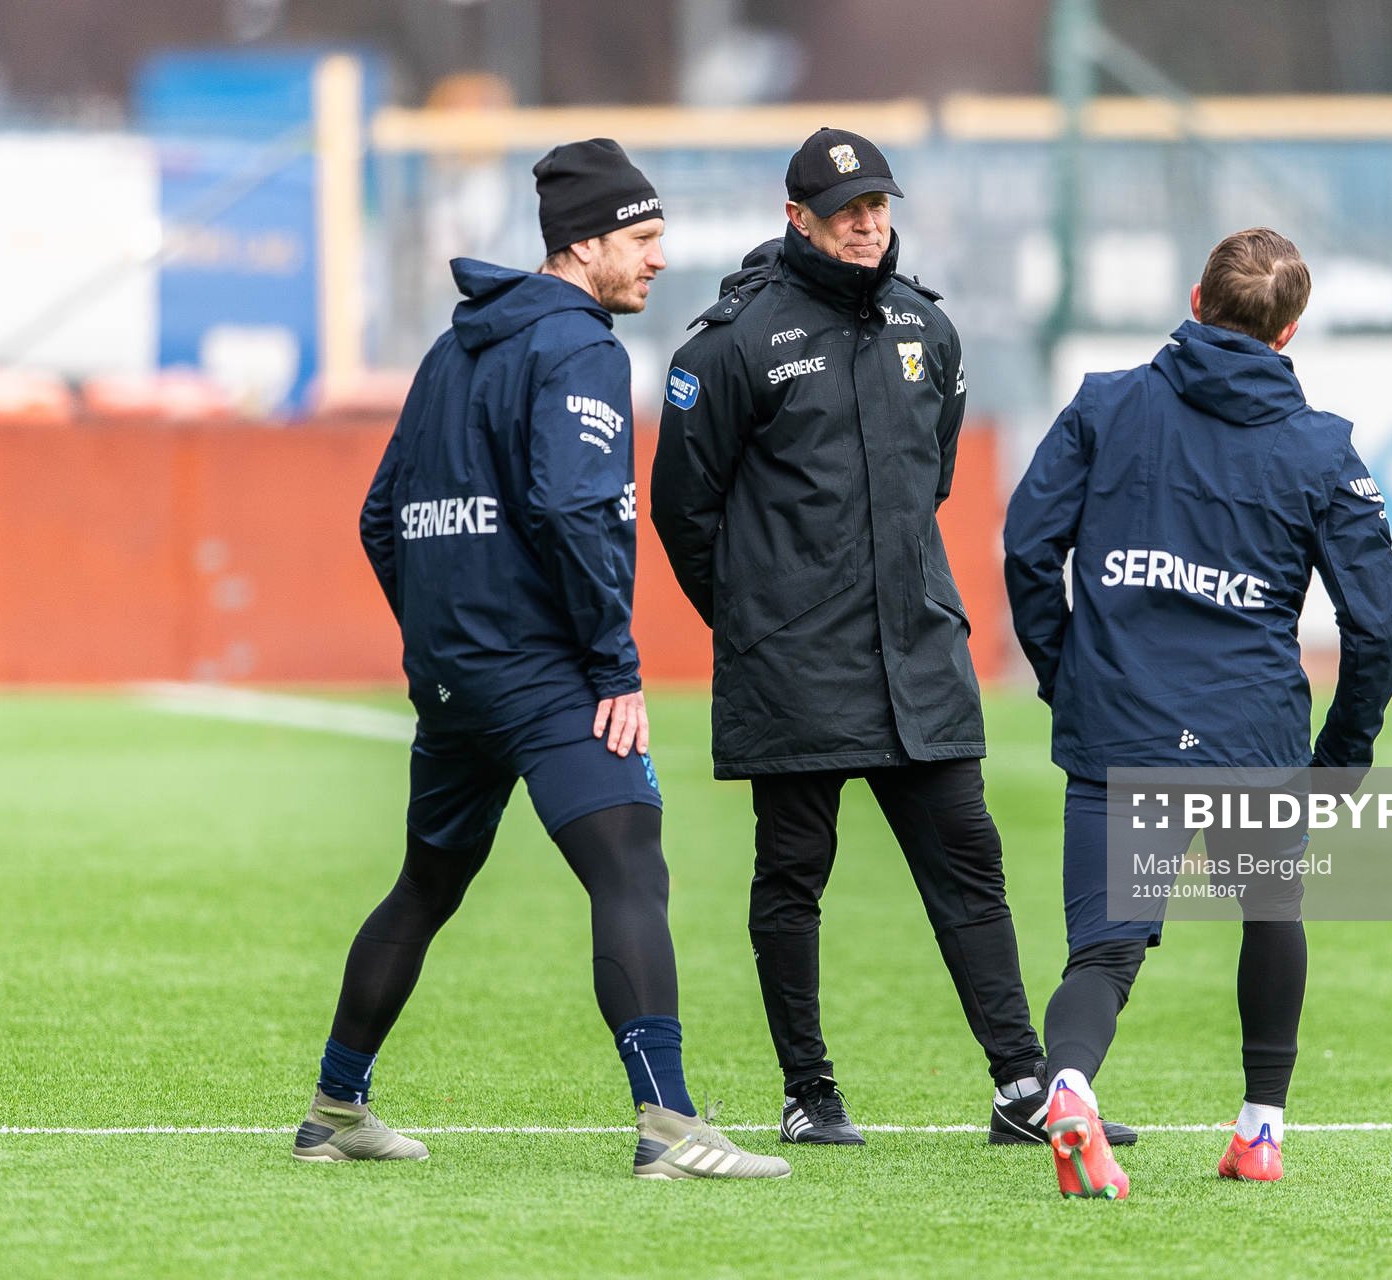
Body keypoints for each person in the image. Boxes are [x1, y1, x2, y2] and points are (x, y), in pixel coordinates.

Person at [292, 138, 788, 1182]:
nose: (659, 257)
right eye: (645, 238)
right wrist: (613, 665)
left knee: (427, 881)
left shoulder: (451, 349)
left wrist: (439, 637)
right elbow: (573, 505)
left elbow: (381, 518)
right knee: (629, 865)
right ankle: (669, 1122)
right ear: (586, 243)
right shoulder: (580, 348)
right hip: (547, 671)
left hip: (457, 676)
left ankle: (336, 1105)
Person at [652, 127, 1133, 1151]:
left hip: (917, 650)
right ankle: (808, 1090)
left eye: (879, 206)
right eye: (846, 211)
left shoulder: (928, 329)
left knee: (971, 862)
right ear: (798, 220)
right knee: (792, 873)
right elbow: (683, 513)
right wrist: (757, 617)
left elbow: (931, 479)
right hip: (794, 664)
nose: (868, 226)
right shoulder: (729, 345)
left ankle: (1020, 1084)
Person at [1003, 228, 1392, 1199]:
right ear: (1290, 328)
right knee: (1269, 912)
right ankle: (1260, 1128)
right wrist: (1340, 756)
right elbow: (1377, 629)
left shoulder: (1107, 403)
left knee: (1102, 949)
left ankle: (1067, 1086)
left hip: (1121, 725)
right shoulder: (1321, 445)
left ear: (1194, 297)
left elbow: (1024, 548)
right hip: (1250, 735)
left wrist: (1071, 676)